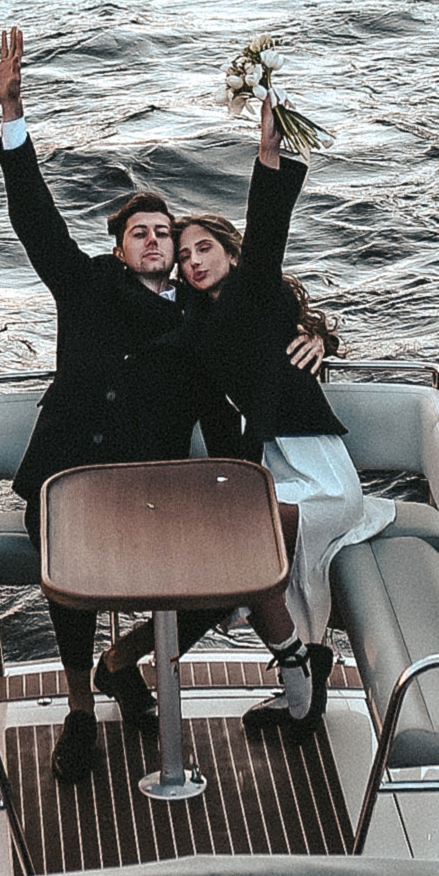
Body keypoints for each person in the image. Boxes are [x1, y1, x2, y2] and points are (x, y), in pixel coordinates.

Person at [0, 25, 216, 784]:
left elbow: (266, 321)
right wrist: (12, 116)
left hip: (152, 484)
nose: (154, 240)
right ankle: (81, 708)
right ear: (120, 249)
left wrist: (315, 334)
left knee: (231, 573)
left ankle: (126, 662)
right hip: (68, 473)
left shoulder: (198, 313)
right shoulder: (84, 284)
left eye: (164, 233)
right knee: (68, 565)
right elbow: (35, 222)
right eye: (140, 233)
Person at [165, 145, 389, 735]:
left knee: (247, 549)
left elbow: (267, 235)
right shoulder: (198, 324)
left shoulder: (256, 291)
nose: (192, 262)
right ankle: (301, 689)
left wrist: (267, 157)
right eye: (183, 256)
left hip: (318, 477)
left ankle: (292, 669)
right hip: (273, 470)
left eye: (204, 248)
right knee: (252, 556)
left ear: (233, 254)